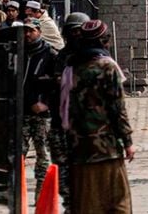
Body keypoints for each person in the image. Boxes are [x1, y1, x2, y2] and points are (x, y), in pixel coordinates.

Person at [61, 20, 134, 213]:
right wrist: (127, 141)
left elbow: (63, 108)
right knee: (118, 203)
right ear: (103, 41)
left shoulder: (71, 67)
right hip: (107, 148)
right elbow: (118, 108)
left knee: (86, 204)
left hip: (79, 148)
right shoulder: (108, 67)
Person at [49, 11, 90, 210]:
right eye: (72, 31)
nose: (76, 35)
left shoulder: (94, 57)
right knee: (62, 171)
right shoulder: (62, 57)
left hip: (85, 125)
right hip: (61, 122)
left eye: (79, 31)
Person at [21, 19, 59, 194]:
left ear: (39, 31)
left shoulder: (50, 54)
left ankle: (41, 195)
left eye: (31, 31)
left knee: (42, 154)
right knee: (18, 154)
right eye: (26, 31)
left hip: (41, 114)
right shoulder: (19, 52)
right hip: (22, 112)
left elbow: (58, 85)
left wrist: (46, 103)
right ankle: (17, 193)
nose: (28, 34)